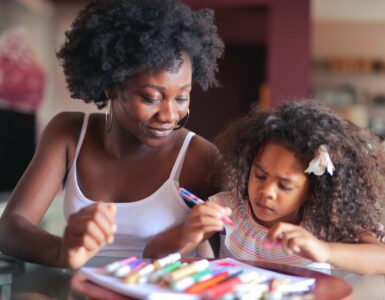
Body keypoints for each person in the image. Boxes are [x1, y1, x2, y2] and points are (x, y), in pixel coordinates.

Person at [0, 0, 224, 269]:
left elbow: (247, 237)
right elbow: (10, 227)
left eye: (182, 97)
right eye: (151, 98)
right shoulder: (69, 134)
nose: (169, 115)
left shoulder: (200, 157)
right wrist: (63, 251)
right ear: (111, 87)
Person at [149, 100, 385, 275]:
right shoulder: (229, 208)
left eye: (284, 186)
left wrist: (325, 251)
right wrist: (188, 233)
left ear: (313, 191)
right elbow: (153, 256)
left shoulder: (323, 220)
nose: (266, 192)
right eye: (259, 175)